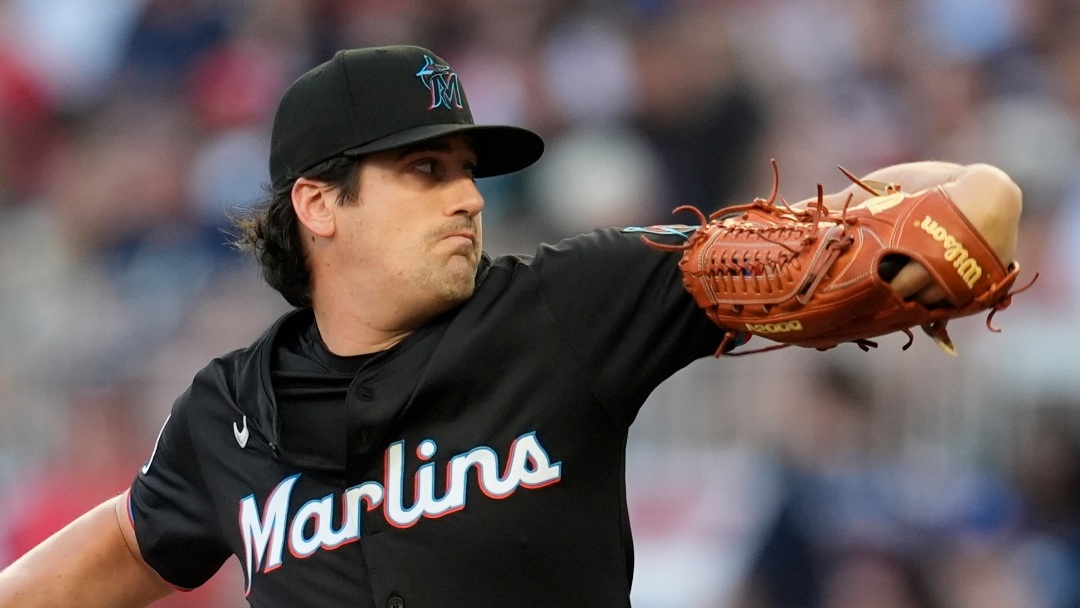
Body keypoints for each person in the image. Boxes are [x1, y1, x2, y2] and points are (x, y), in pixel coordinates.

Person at [0, 45, 1023, 608]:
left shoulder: (570, 304)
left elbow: (975, 208)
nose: (469, 198)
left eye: (468, 171)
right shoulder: (231, 409)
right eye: (424, 171)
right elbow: (126, 546)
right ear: (318, 204)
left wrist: (892, 238)